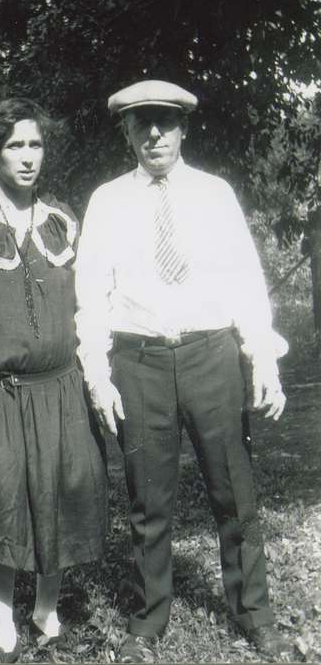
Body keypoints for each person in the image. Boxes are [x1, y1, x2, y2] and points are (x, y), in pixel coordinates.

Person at [74, 80, 291, 663]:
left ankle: (255, 614)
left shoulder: (215, 195)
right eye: (141, 123)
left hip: (211, 356)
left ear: (184, 128)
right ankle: (147, 621)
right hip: (138, 361)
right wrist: (98, 375)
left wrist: (262, 358)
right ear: (126, 130)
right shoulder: (107, 201)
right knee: (149, 500)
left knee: (234, 491)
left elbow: (245, 281)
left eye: (164, 122)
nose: (153, 134)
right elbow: (90, 297)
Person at [0, 98, 107, 663]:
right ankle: (5, 625)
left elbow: (87, 306)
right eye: (15, 145)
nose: (28, 157)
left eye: (35, 144)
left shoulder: (62, 223)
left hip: (60, 387)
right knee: (1, 503)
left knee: (57, 494)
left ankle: (48, 610)